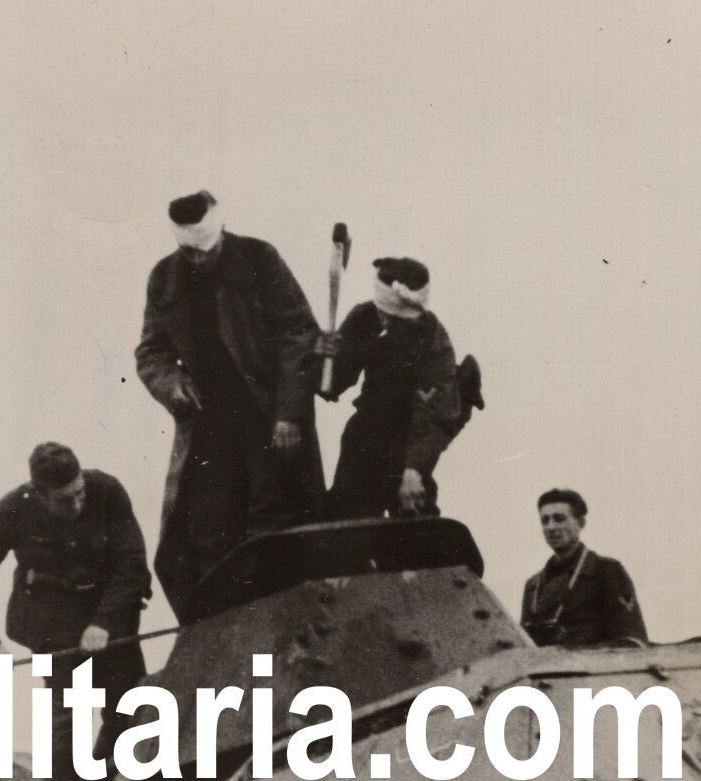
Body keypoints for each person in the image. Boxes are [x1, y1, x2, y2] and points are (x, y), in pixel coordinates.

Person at [0, 442, 152, 781]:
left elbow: (132, 563)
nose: (77, 504)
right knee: (66, 721)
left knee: (129, 710)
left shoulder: (106, 491)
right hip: (51, 620)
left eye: (79, 493)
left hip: (109, 614)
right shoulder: (14, 509)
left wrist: (103, 623)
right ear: (39, 494)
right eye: (64, 499)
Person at [135, 191, 324, 618]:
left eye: (205, 251)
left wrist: (289, 412)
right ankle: (222, 627)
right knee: (206, 528)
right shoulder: (165, 277)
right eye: (189, 253)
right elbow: (151, 352)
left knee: (273, 517)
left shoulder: (259, 258)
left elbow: (298, 332)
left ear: (219, 234)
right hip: (207, 423)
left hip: (266, 415)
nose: (198, 261)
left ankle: (282, 618)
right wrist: (172, 384)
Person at [316, 256, 463, 520]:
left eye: (396, 319)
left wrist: (414, 470)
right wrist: (321, 356)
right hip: (366, 432)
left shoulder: (433, 340)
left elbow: (435, 416)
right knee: (345, 512)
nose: (386, 323)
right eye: (383, 315)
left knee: (414, 511)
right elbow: (331, 385)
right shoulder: (363, 317)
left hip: (409, 437)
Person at [520, 488, 649, 648]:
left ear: (581, 523)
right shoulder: (533, 586)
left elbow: (631, 641)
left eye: (559, 519)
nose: (551, 527)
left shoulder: (607, 571)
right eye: (544, 521)